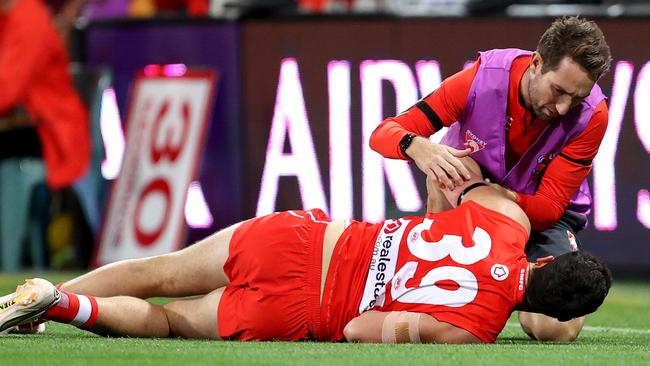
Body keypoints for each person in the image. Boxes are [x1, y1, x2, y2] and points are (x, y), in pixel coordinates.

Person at [0, 157, 611, 343]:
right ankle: (56, 306)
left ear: (549, 256)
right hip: (303, 313)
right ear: (553, 313)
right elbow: (361, 330)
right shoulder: (472, 331)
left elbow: (454, 178)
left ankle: (36, 298)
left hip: (306, 240)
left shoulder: (504, 221)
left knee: (158, 273)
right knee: (163, 325)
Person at [369, 16, 611, 341]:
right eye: (558, 91)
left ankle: (490, 286)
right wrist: (416, 146)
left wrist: (503, 196)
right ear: (537, 63)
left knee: (553, 330)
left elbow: (549, 208)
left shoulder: (593, 115)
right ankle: (432, 276)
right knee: (448, 165)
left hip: (540, 218)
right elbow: (382, 134)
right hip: (472, 194)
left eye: (576, 98)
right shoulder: (480, 81)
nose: (565, 107)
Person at [0, 0, 90, 189]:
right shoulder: (9, 17)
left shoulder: (28, 18)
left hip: (53, 132)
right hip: (27, 123)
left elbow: (5, 90)